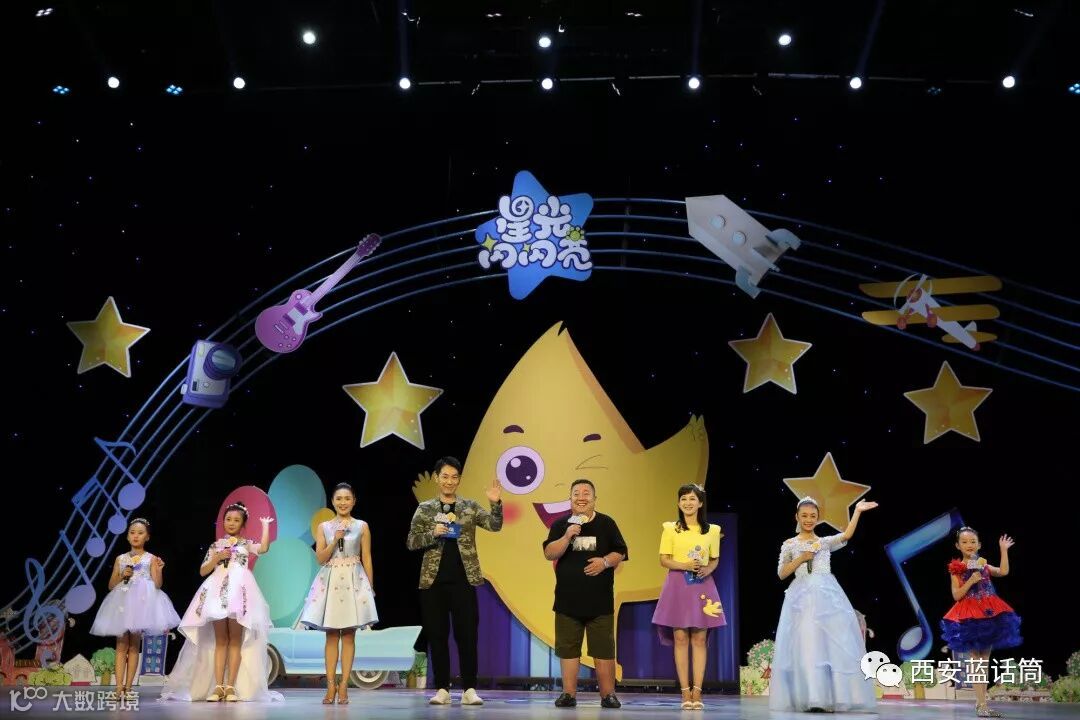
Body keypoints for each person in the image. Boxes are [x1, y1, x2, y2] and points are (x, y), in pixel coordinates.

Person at [161, 501, 282, 702]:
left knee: (235, 640)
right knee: (221, 641)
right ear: (222, 522)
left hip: (239, 594)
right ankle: (218, 687)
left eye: (236, 520)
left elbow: (263, 548)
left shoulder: (246, 544)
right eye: (228, 519)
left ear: (243, 524)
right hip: (217, 593)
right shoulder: (215, 546)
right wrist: (217, 558)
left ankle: (231, 687)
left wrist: (265, 526)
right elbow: (203, 571)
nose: (231, 523)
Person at [407, 456, 503, 706]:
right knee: (437, 636)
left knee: (467, 636)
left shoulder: (469, 507)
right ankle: (442, 689)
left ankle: (469, 689)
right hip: (433, 583)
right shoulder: (425, 508)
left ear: (459, 479)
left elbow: (494, 525)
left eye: (454, 477)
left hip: (464, 581)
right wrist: (432, 533)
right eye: (445, 477)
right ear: (437, 478)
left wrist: (495, 503)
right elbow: (411, 541)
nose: (449, 481)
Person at [769, 496, 878, 713]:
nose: (808, 519)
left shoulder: (825, 542)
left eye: (813, 516)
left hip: (828, 598)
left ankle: (838, 697)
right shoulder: (790, 544)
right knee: (809, 646)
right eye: (804, 516)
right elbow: (782, 574)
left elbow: (846, 535)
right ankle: (814, 697)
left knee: (834, 646)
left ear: (818, 518)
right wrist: (801, 558)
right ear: (797, 517)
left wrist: (857, 511)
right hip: (802, 599)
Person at [543, 479, 628, 709]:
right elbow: (549, 553)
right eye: (576, 493)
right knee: (568, 649)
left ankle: (608, 695)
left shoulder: (607, 523)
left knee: (603, 650)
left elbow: (621, 552)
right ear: (570, 499)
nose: (581, 497)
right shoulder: (560, 524)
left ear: (594, 499)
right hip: (567, 601)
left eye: (586, 493)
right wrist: (567, 536)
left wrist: (605, 562)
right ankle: (568, 694)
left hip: (600, 602)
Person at [299, 482, 377, 704]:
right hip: (331, 580)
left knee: (349, 635)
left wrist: (369, 587)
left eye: (347, 498)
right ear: (333, 501)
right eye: (339, 499)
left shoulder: (362, 526)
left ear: (354, 501)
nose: (343, 502)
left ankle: (344, 686)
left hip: (354, 580)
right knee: (331, 635)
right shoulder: (324, 527)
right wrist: (335, 539)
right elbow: (320, 558)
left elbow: (367, 557)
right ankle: (331, 685)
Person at [650, 484, 725, 710]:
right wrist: (685, 565)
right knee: (681, 638)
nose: (688, 503)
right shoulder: (671, 529)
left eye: (692, 499)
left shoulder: (712, 531)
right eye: (684, 499)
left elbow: (714, 558)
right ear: (678, 503)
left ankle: (697, 691)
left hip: (702, 585)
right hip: (678, 585)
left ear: (700, 503)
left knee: (700, 639)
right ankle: (685, 691)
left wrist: (709, 568)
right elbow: (664, 559)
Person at [90, 518, 181, 698]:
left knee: (134, 646)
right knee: (121, 644)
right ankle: (118, 688)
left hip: (142, 603)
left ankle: (129, 687)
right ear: (127, 536)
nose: (136, 536)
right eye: (132, 533)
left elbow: (157, 584)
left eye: (140, 533)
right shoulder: (121, 558)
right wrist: (123, 574)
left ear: (147, 537)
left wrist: (159, 570)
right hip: (123, 602)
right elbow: (111, 585)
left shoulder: (151, 558)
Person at [941, 527, 1021, 718]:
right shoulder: (956, 569)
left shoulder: (983, 565)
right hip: (970, 615)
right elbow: (956, 595)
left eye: (973, 542)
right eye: (964, 542)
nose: (969, 545)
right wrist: (970, 581)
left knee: (984, 661)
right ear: (958, 545)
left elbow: (1003, 571)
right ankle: (982, 704)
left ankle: (981, 703)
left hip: (989, 613)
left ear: (979, 545)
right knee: (976, 661)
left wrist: (1003, 550)